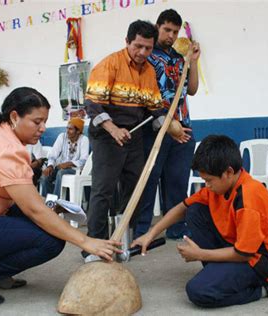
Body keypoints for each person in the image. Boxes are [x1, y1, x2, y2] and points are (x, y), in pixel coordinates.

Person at [0, 87, 121, 307]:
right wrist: (87, 242)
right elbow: (33, 210)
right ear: (14, 116)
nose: (42, 128)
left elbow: (28, 202)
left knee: (43, 219)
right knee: (51, 240)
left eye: (45, 122)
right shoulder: (4, 147)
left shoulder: (3, 138)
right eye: (36, 122)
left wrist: (51, 208)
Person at [132, 135, 268, 308]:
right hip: (239, 248)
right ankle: (218, 272)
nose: (206, 185)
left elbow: (243, 253)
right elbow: (181, 208)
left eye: (209, 180)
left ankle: (264, 289)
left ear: (228, 172)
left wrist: (199, 254)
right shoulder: (219, 187)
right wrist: (150, 235)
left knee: (198, 291)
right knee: (194, 211)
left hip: (260, 263)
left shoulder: (249, 197)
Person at [83, 20, 187, 261]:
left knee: (135, 189)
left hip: (135, 136)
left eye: (148, 48)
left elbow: (155, 108)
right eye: (137, 46)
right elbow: (92, 103)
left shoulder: (149, 71)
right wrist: (112, 128)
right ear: (127, 42)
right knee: (103, 190)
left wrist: (168, 127)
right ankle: (94, 247)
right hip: (107, 136)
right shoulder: (109, 64)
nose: (142, 53)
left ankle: (121, 242)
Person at [135, 9, 200, 239]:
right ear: (158, 26)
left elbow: (191, 89)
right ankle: (141, 230)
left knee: (177, 179)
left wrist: (193, 62)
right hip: (157, 126)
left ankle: (175, 228)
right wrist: (169, 125)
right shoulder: (147, 57)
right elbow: (148, 95)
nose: (171, 36)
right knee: (150, 179)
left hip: (184, 126)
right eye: (167, 30)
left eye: (175, 31)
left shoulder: (178, 58)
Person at [39, 117, 89, 197]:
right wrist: (50, 165)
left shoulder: (84, 140)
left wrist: (69, 164)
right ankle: (47, 202)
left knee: (61, 173)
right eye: (67, 128)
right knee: (45, 175)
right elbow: (53, 154)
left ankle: (56, 202)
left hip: (75, 170)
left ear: (78, 131)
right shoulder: (62, 136)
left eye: (71, 129)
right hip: (59, 167)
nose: (67, 131)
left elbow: (83, 160)